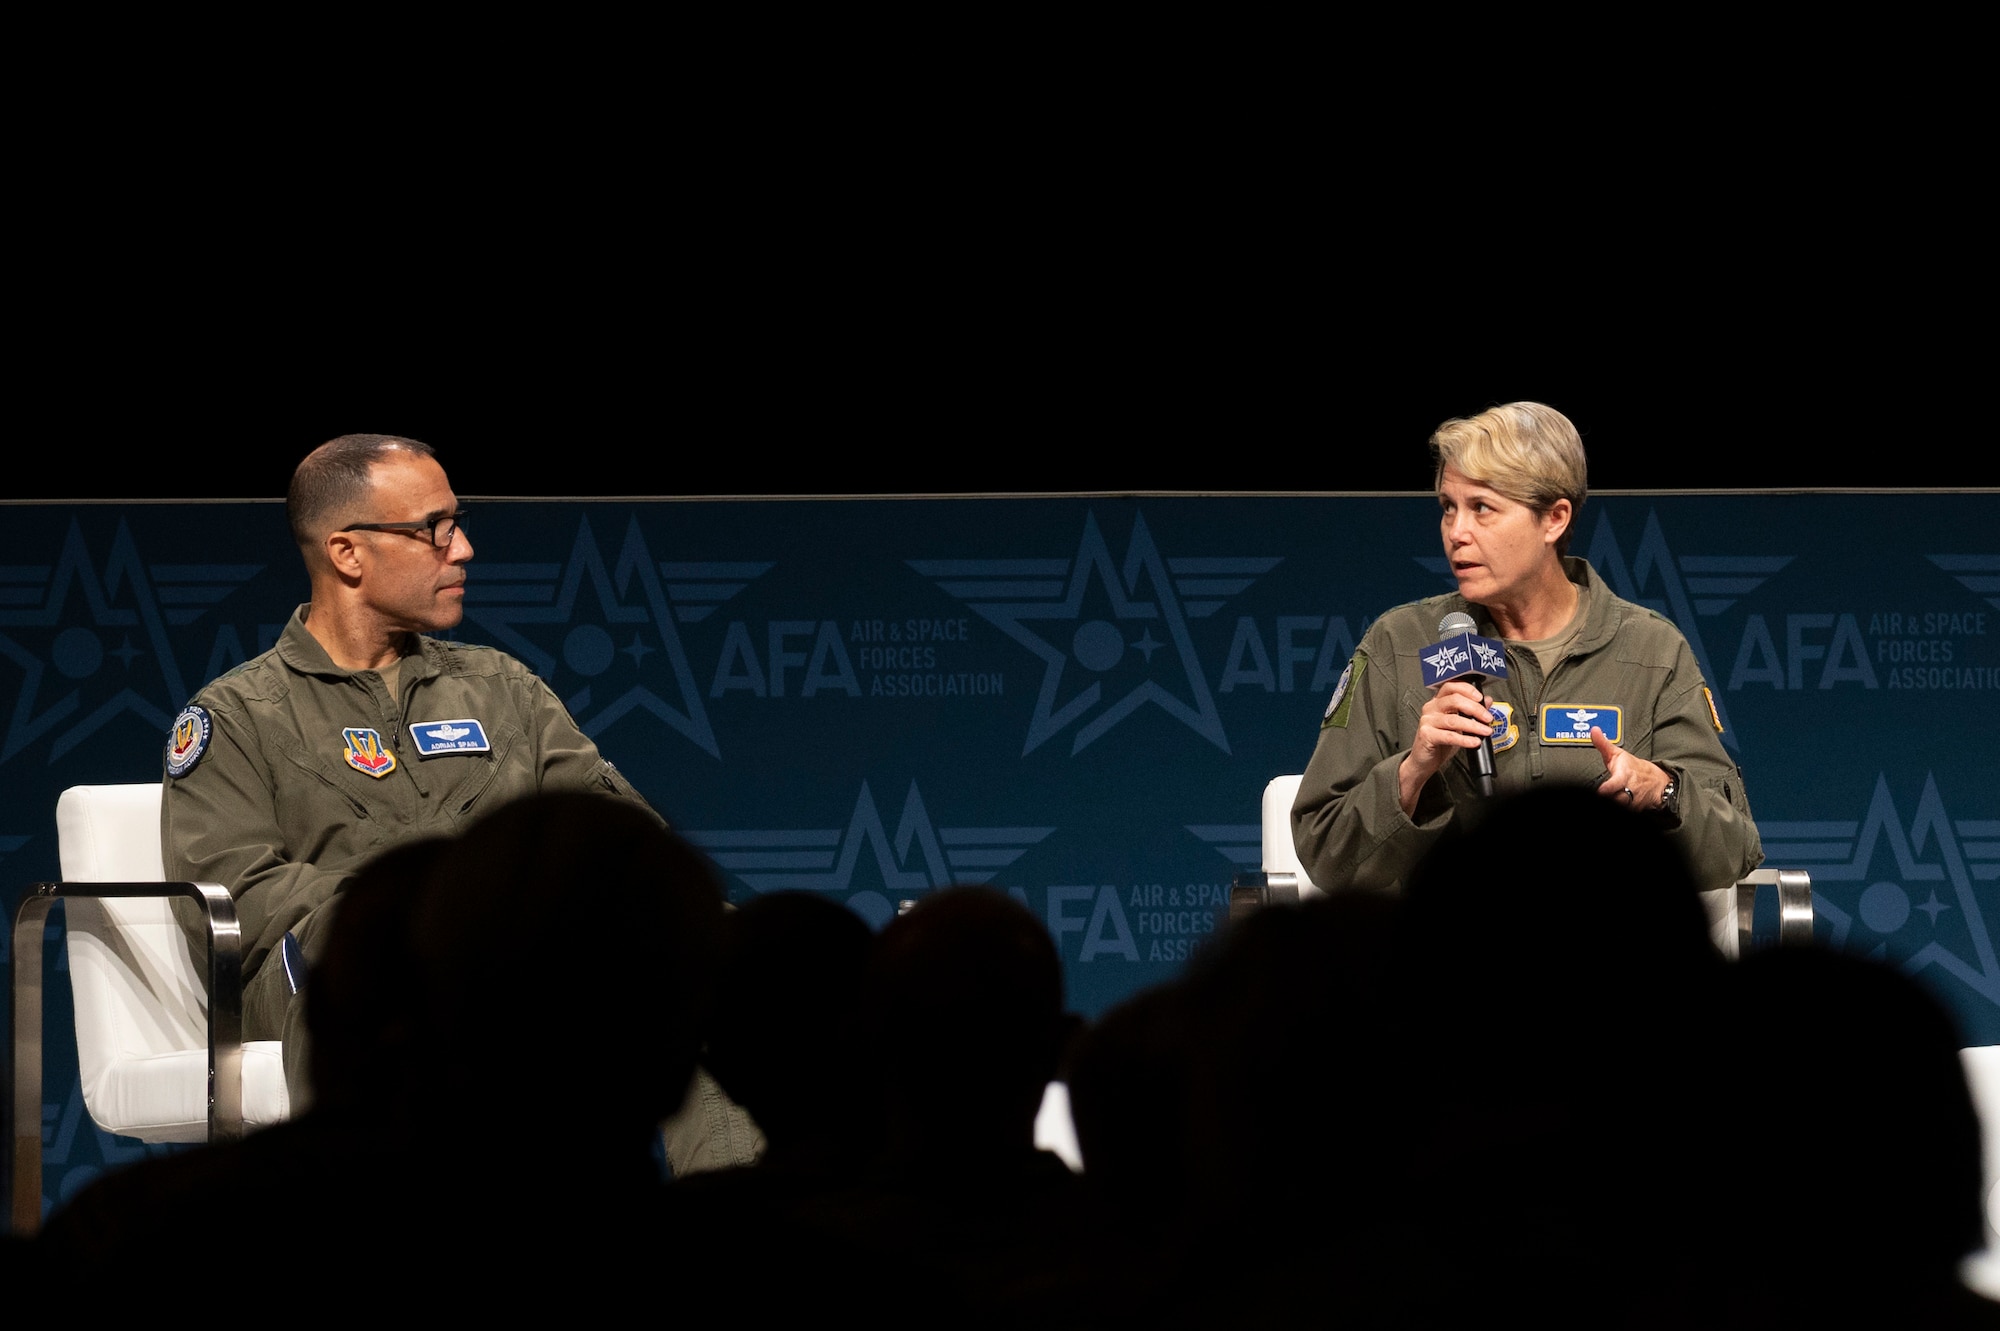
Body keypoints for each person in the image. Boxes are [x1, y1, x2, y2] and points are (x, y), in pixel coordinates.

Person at [156, 434, 688, 1117]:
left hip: (516, 957)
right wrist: (439, 906)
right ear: (347, 552)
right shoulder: (235, 716)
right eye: (433, 528)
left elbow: (629, 841)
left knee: (700, 959)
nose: (462, 549)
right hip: (332, 977)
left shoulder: (503, 689)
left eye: (457, 523)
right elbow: (239, 899)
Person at [1292, 401, 1763, 912]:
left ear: (1554, 519)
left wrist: (1663, 792)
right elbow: (1326, 854)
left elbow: (1734, 850)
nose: (1456, 532)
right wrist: (1413, 772)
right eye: (1448, 506)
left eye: (1482, 508)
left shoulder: (1651, 651)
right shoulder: (1401, 644)